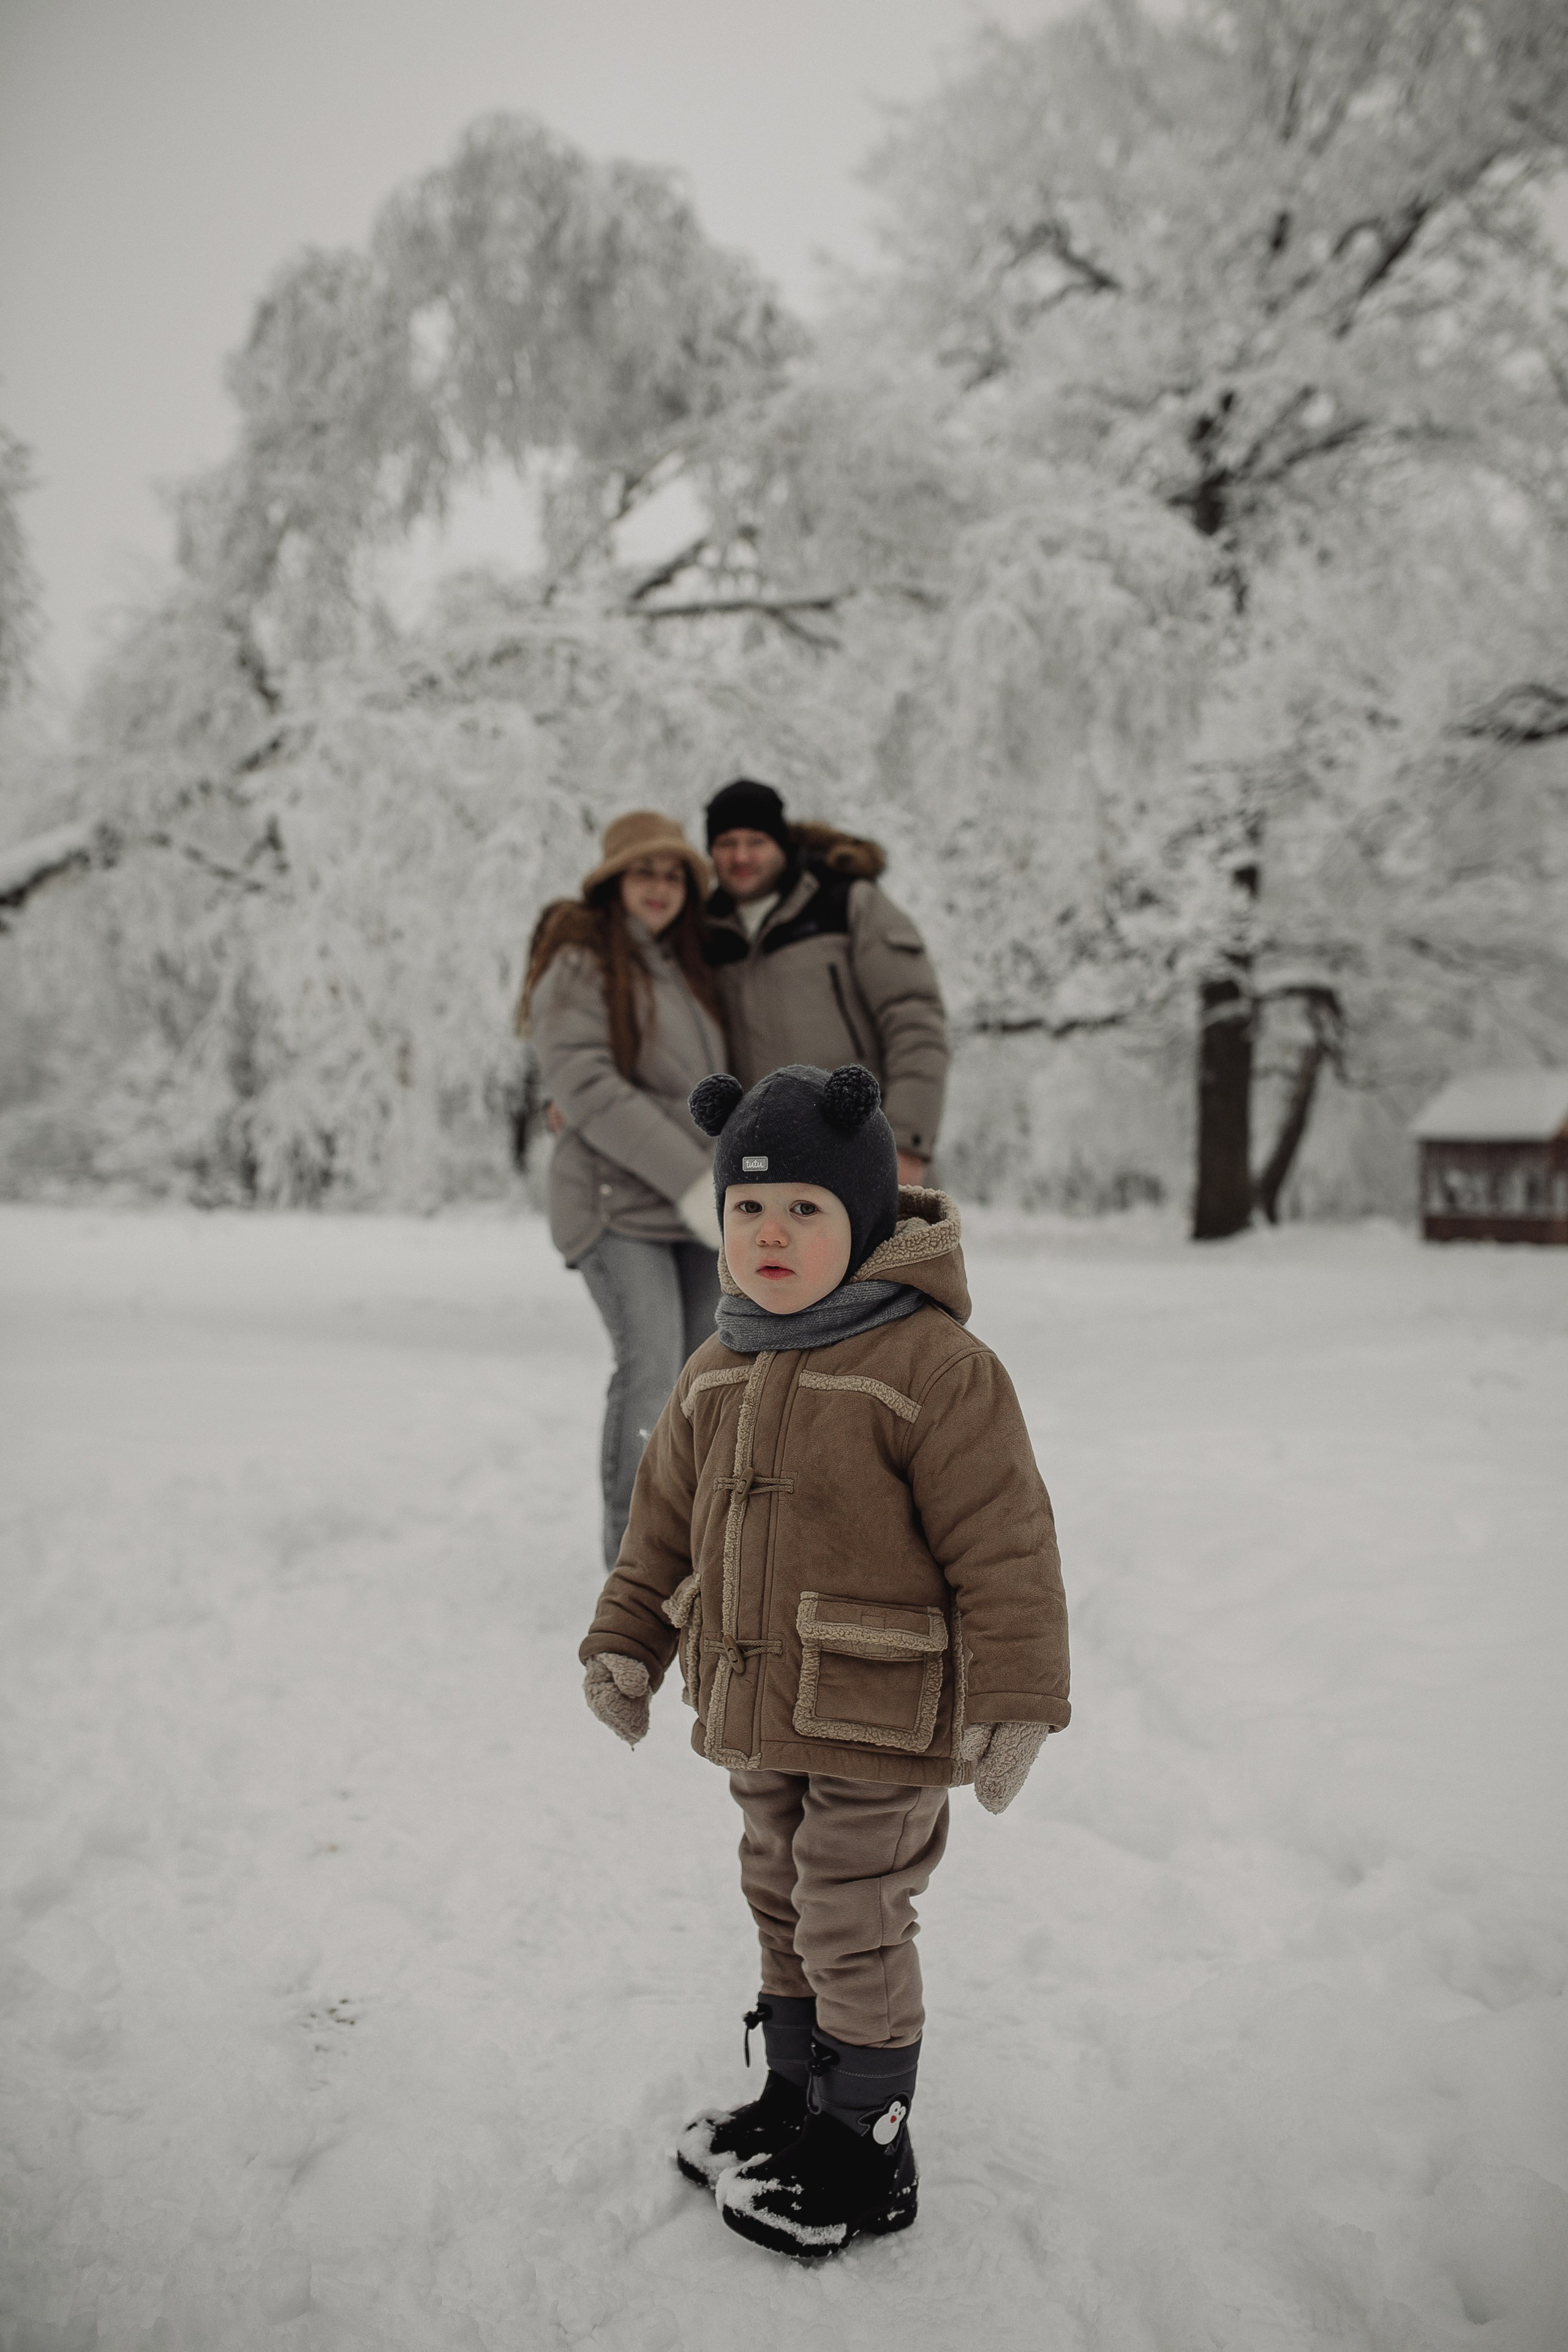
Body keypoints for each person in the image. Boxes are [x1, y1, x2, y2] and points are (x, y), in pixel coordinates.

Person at [578, 1061, 1070, 2258]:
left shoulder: (932, 1367)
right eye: (747, 1210)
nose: (771, 1235)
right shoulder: (716, 1366)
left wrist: (1013, 1701)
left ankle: (866, 2144)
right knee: (778, 1895)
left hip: (880, 1711)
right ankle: (796, 2096)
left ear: (859, 1216)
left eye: (804, 1209)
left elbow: (1005, 1542)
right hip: (758, 1705)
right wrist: (627, 1640)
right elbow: (659, 1530)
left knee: (850, 1910)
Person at [521, 811, 728, 1567]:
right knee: (651, 1370)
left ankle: (697, 1562)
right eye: (644, 872)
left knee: (706, 1383)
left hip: (692, 1211)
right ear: (614, 882)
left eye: (673, 875)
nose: (659, 887)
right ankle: (634, 1576)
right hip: (615, 1205)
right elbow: (585, 1085)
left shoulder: (682, 970)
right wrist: (688, 1182)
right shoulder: (580, 964)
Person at [703, 778, 948, 1184]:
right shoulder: (704, 932)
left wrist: (906, 1142)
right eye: (726, 843)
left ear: (781, 843)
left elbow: (914, 1021)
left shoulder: (848, 903)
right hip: (771, 1167)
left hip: (867, 1145)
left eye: (755, 840)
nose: (741, 855)